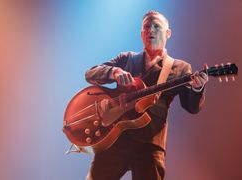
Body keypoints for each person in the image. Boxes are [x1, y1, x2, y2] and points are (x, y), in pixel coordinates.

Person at [85, 10, 208, 180]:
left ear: (168, 33)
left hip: (149, 143)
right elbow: (91, 74)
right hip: (114, 138)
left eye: (156, 26)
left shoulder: (180, 68)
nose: (151, 30)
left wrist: (197, 88)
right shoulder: (126, 59)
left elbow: (192, 107)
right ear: (142, 34)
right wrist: (113, 72)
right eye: (147, 27)